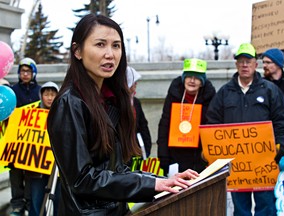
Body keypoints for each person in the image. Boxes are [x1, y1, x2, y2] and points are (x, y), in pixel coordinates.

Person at [46, 14, 199, 216]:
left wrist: (162, 180)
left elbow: (116, 170)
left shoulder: (110, 100)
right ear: (77, 51)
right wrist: (152, 184)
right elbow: (82, 179)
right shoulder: (69, 103)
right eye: (100, 44)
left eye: (116, 46)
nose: (110, 54)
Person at [206, 43, 284, 216]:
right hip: (237, 165)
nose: (244, 65)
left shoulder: (270, 90)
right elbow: (212, 123)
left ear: (255, 65)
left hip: (264, 163)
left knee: (266, 206)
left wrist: (280, 145)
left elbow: (282, 121)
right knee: (240, 209)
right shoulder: (224, 93)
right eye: (241, 61)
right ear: (236, 64)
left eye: (248, 61)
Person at [157, 58, 216, 176]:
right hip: (176, 158)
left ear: (202, 81)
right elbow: (164, 124)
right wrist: (163, 155)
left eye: (197, 78)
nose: (192, 81)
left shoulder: (210, 98)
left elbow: (212, 128)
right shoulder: (174, 95)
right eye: (189, 77)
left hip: (199, 158)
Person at [10, 57, 41, 216]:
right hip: (15, 140)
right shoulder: (13, 91)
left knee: (30, 175)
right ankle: (17, 205)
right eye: (22, 71)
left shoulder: (40, 91)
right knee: (15, 174)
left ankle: (29, 204)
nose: (25, 74)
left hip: (32, 143)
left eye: (28, 71)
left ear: (34, 72)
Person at [28, 81, 60, 216]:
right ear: (41, 96)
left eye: (53, 94)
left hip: (57, 169)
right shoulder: (30, 116)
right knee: (36, 201)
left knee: (59, 201)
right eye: (46, 94)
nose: (50, 98)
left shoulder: (63, 114)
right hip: (36, 168)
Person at [126, 66, 152, 157]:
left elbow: (143, 126)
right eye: (133, 82)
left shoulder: (136, 102)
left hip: (137, 151)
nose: (136, 84)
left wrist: (147, 150)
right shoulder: (115, 103)